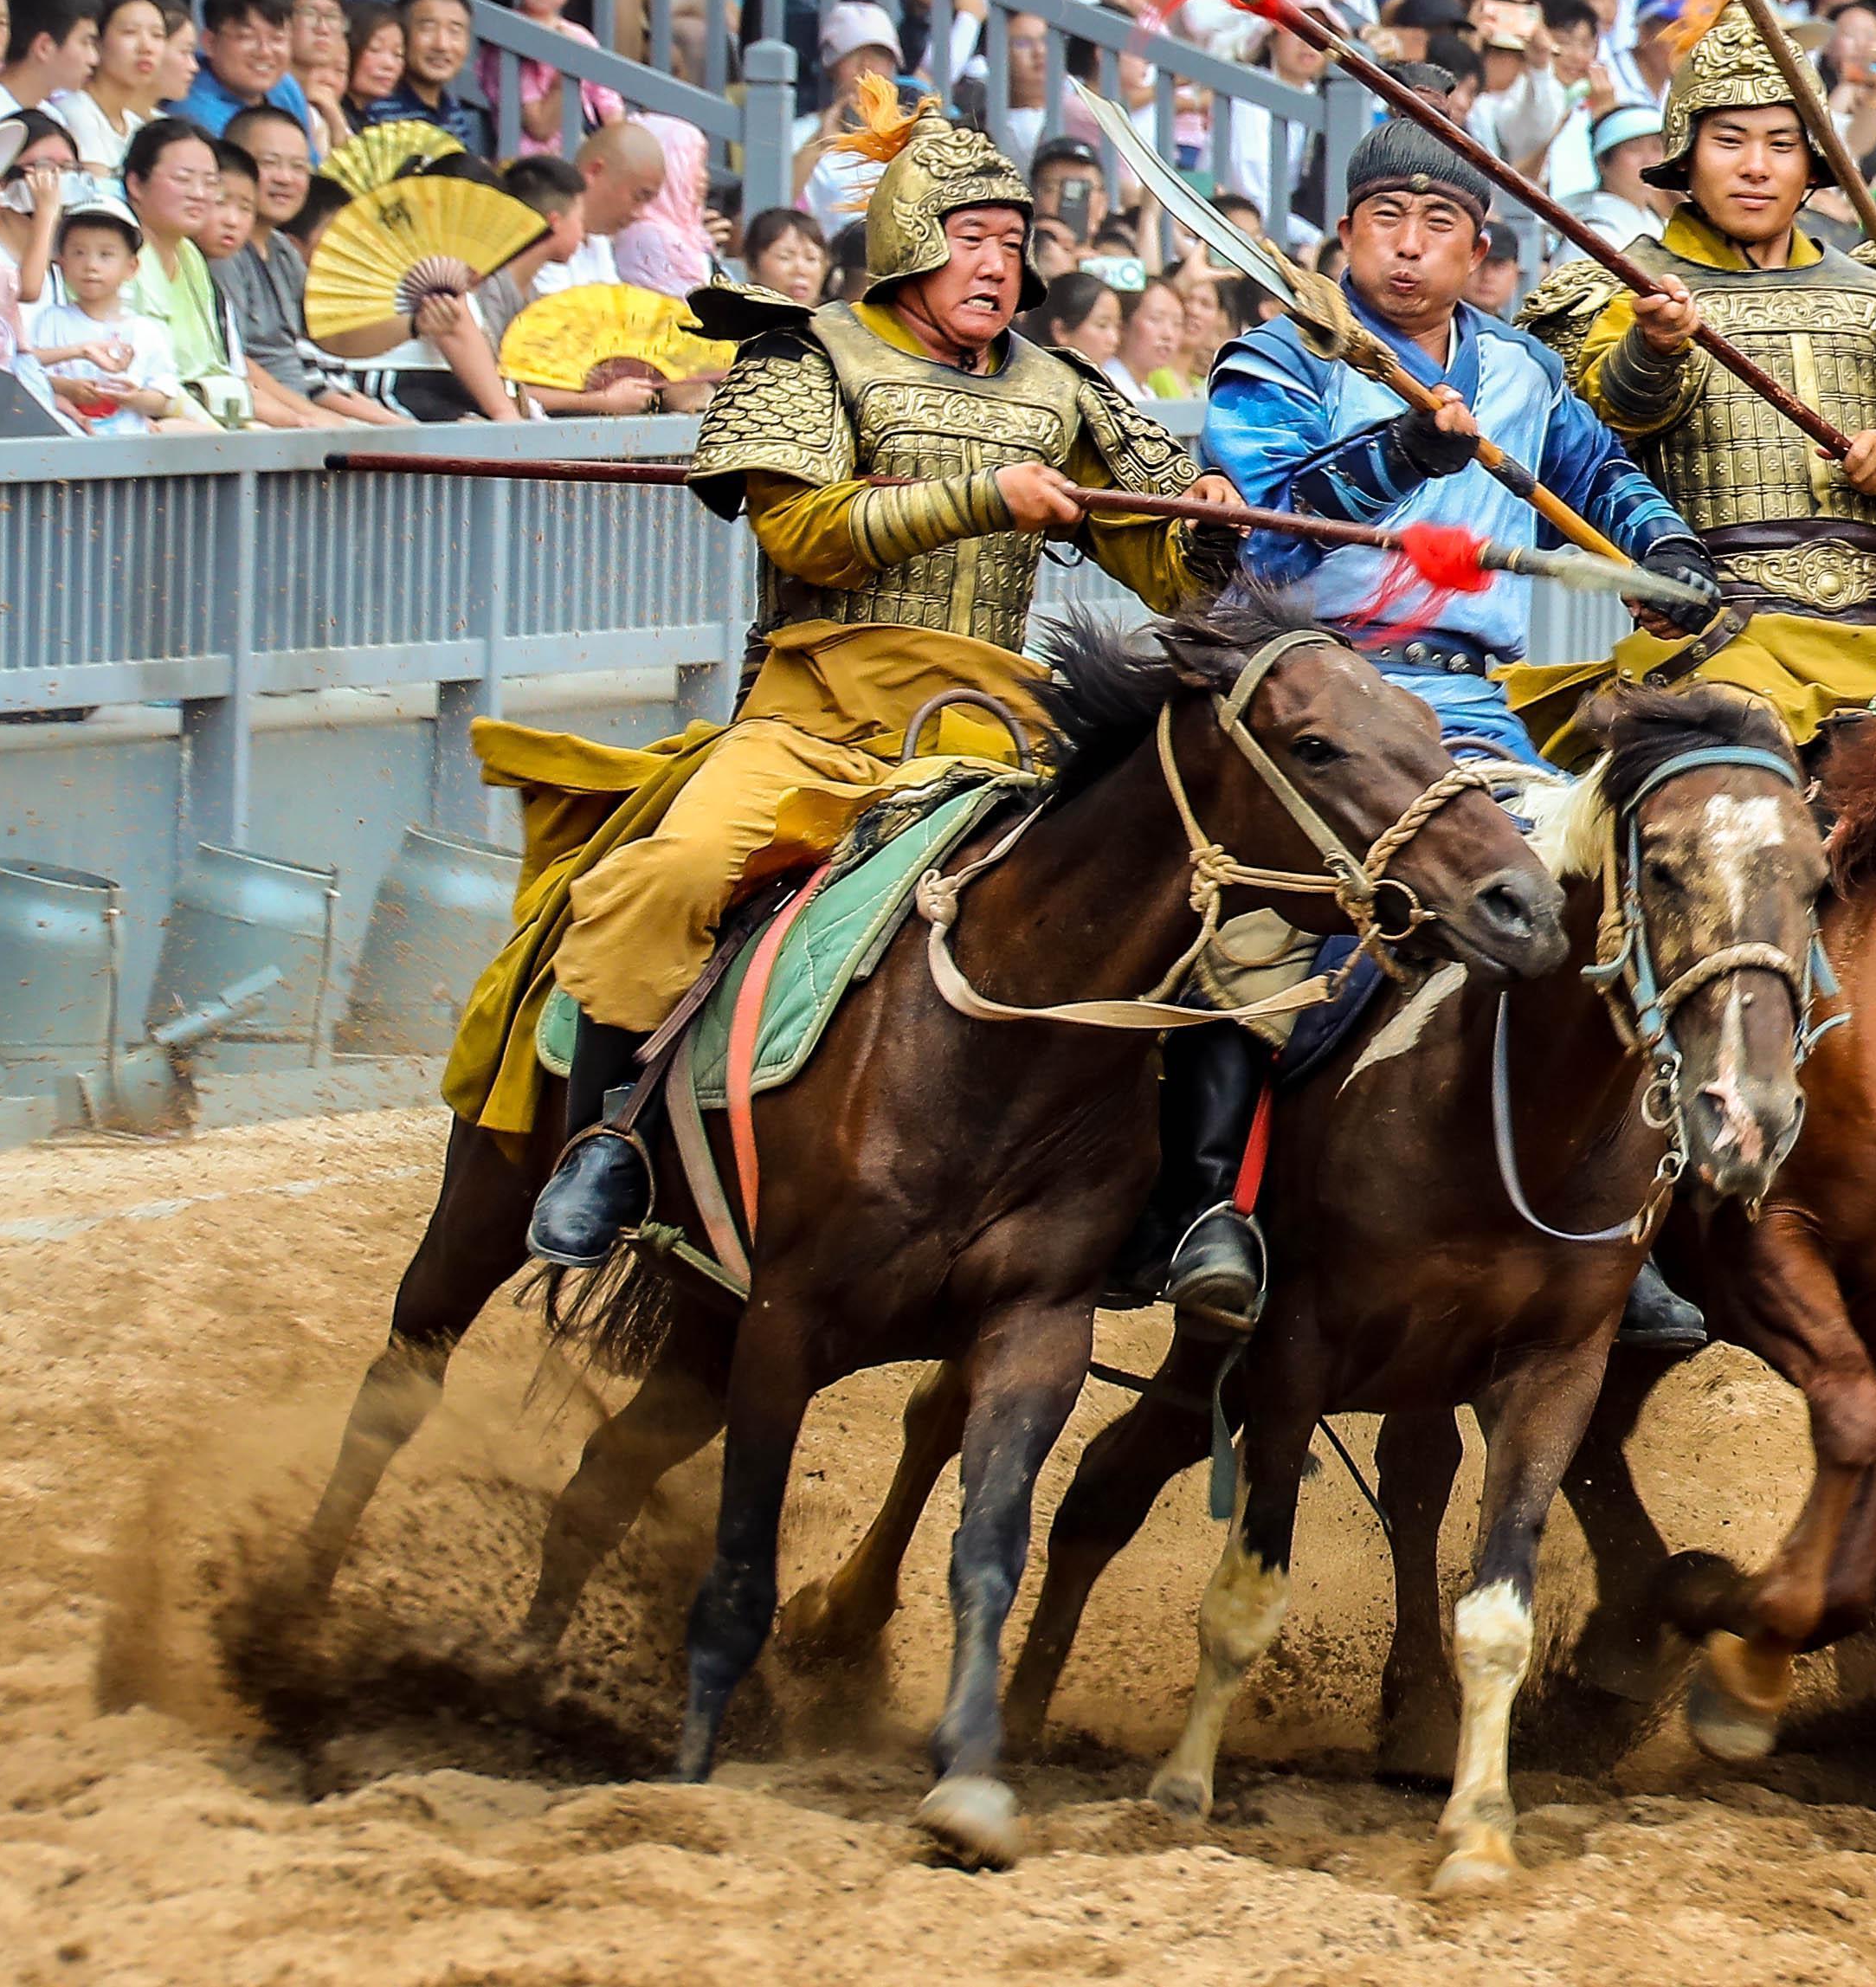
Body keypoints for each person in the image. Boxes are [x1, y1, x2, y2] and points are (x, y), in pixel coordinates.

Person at [522, 104, 1246, 1276]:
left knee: (1166, 905)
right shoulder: (807, 355)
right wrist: (986, 496)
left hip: (997, 733)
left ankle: (1171, 1202)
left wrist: (1202, 520)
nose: (997, 264)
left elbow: (1164, 566)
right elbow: (801, 530)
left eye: (1013, 242)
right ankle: (605, 1143)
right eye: (971, 237)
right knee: (673, 871)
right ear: (910, 238)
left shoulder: (1062, 388)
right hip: (816, 717)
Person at [1197, 119, 1718, 1339]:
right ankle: (1211, 1209)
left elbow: (1602, 477)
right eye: (1386, 219)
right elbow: (1265, 533)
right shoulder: (1276, 356)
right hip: (1311, 698)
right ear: (1344, 234)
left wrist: (1664, 550)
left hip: (1468, 706)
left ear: (1477, 252)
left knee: (1594, 906)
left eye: (1439, 225)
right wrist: (1397, 451)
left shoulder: (1520, 368)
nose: (1409, 246)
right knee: (1245, 935)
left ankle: (1612, 1218)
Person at [1516, 0, 1876, 752]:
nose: (1756, 167)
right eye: (1729, 140)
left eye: (1781, 143)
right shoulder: (1621, 284)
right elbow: (1595, 443)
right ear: (1685, 152)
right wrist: (1654, 348)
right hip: (1712, 640)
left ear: (1812, 161)